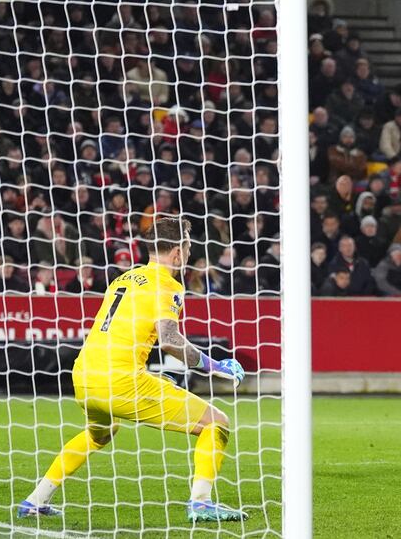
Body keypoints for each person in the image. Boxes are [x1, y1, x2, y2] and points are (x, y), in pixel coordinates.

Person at [18, 218, 247, 521]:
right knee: (217, 422)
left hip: (84, 375)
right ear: (177, 252)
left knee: (100, 434)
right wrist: (214, 365)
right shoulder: (168, 285)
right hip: (121, 381)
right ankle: (201, 502)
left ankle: (36, 499)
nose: (190, 252)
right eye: (189, 246)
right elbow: (168, 340)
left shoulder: (124, 278)